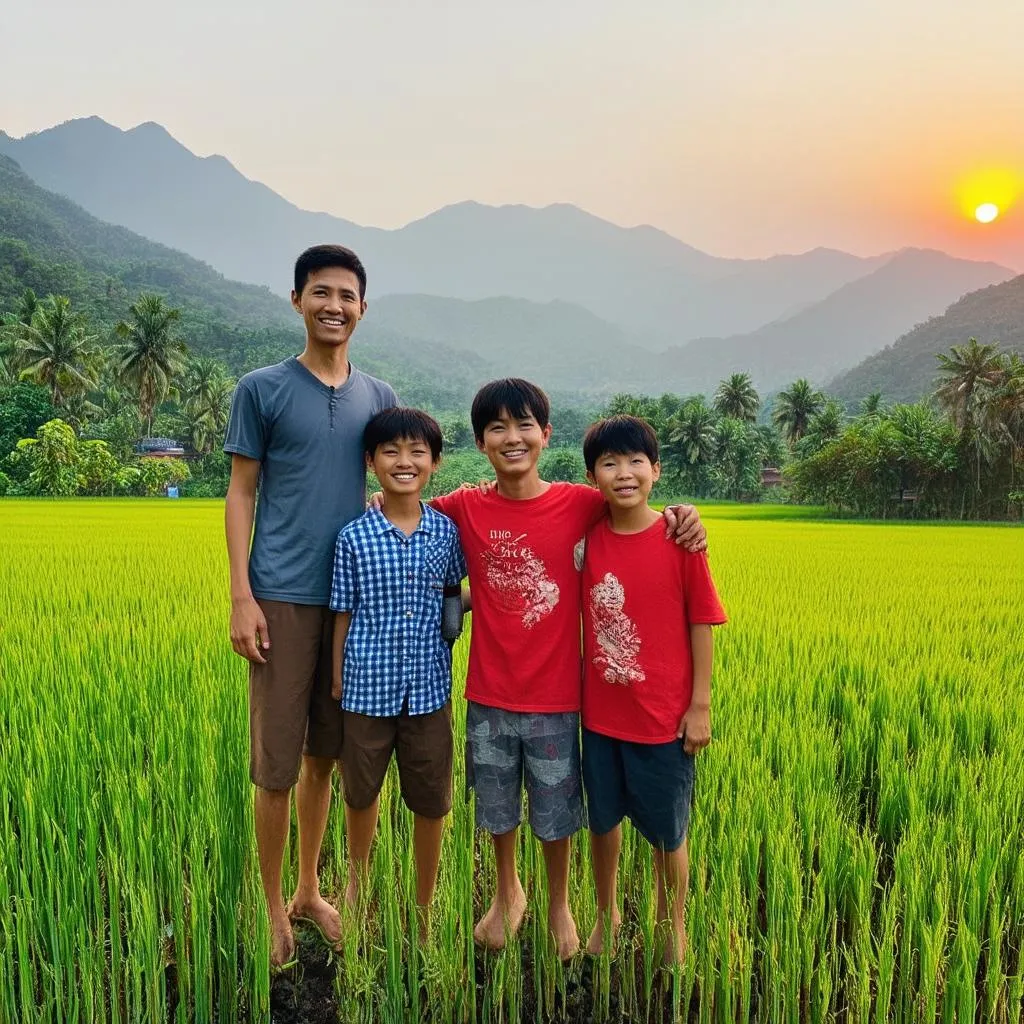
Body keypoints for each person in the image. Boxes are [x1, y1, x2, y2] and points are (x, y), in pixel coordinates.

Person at [426, 379, 707, 959]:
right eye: (497, 428)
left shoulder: (580, 504)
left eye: (524, 424)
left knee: (557, 813)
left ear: (545, 435)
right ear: (480, 442)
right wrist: (381, 501)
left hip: (558, 697)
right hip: (489, 692)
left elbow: (637, 497)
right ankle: (508, 895)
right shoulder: (466, 505)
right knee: (498, 808)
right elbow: (408, 505)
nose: (513, 437)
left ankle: (559, 904)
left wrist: (686, 514)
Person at [223, 244, 398, 971]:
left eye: (347, 294)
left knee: (324, 755)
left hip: (351, 601)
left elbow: (401, 480)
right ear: (296, 300)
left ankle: (306, 891)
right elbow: (240, 492)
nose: (334, 305)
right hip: (283, 598)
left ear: (364, 307)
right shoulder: (261, 389)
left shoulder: (379, 399)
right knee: (274, 765)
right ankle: (269, 908)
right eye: (320, 292)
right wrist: (241, 595)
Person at [578, 415, 726, 965]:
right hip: (599, 718)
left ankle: (672, 924)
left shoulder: (678, 540)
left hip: (663, 720)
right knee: (602, 822)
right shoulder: (587, 540)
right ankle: (605, 913)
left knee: (668, 833)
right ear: (593, 475)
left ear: (656, 470)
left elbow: (701, 621)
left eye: (636, 461)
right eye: (609, 463)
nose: (623, 473)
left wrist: (700, 705)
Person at [329, 407, 466, 942]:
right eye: (391, 452)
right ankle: (357, 894)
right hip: (366, 688)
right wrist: (338, 678)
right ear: (371, 462)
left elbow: (454, 596)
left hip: (429, 691)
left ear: (434, 462)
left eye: (417, 452)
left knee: (431, 800)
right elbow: (343, 613)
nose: (404, 462)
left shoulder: (446, 533)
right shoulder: (354, 538)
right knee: (361, 795)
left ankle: (425, 906)